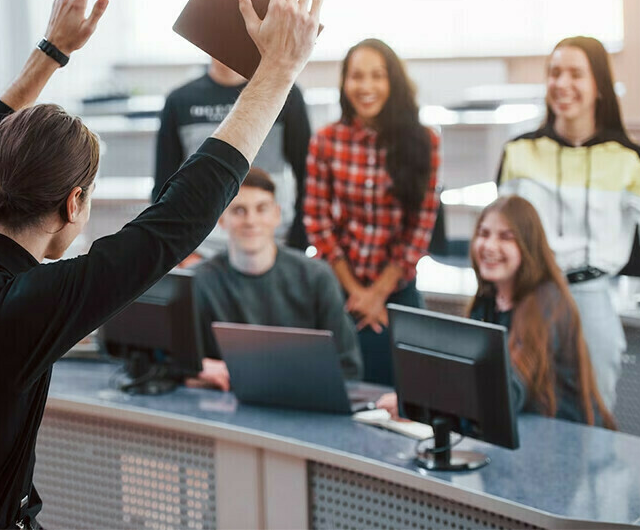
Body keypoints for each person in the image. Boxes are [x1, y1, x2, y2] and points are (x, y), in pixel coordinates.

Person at [0, 0, 325, 528]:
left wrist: (53, 50)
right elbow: (176, 224)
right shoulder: (16, 310)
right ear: (74, 204)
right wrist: (277, 72)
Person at [497, 36, 640, 411]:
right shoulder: (519, 151)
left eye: (576, 73)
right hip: (530, 295)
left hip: (591, 298)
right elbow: (500, 234)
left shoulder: (629, 158)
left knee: (594, 414)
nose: (562, 84)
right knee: (519, 412)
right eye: (554, 73)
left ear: (599, 86)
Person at [377, 196, 616, 429]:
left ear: (528, 246)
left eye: (506, 237)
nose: (490, 246)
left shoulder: (547, 302)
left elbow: (506, 394)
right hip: (519, 432)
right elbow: (469, 377)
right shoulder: (489, 300)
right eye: (483, 234)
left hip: (562, 441)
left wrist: (423, 404)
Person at [304, 38, 440, 385]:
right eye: (356, 76)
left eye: (377, 76)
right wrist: (357, 293)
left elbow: (421, 227)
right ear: (344, 83)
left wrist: (378, 293)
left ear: (392, 81)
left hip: (397, 289)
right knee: (339, 389)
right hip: (340, 287)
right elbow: (317, 222)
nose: (366, 87)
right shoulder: (326, 141)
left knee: (407, 392)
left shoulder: (424, 141)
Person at [191, 167, 363, 391]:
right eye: (239, 211)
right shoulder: (198, 281)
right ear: (222, 220)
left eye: (261, 209)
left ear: (277, 215)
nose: (251, 221)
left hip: (304, 406)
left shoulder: (317, 278)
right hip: (225, 406)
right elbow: (172, 364)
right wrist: (196, 369)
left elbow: (349, 368)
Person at [152, 57, 312, 250]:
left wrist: (298, 241)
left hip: (272, 240)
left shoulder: (286, 93)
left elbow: (307, 176)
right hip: (202, 245)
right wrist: (173, 249)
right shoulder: (179, 100)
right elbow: (163, 187)